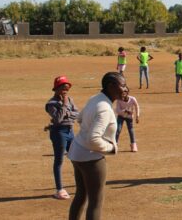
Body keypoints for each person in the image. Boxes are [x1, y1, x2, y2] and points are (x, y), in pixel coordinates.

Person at [68, 72, 126, 220]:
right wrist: (111, 148)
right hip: (91, 158)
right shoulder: (105, 108)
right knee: (96, 201)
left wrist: (87, 129)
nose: (125, 89)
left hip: (77, 151)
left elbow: (80, 119)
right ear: (111, 86)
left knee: (81, 195)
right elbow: (94, 139)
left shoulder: (95, 98)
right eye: (122, 85)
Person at [44, 76, 79, 200]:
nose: (65, 91)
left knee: (76, 158)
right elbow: (58, 120)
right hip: (59, 133)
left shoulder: (70, 99)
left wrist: (66, 113)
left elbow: (77, 114)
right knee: (59, 161)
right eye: (63, 88)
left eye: (67, 89)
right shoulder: (51, 104)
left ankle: (80, 185)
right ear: (56, 89)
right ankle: (59, 189)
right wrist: (64, 106)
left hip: (70, 131)